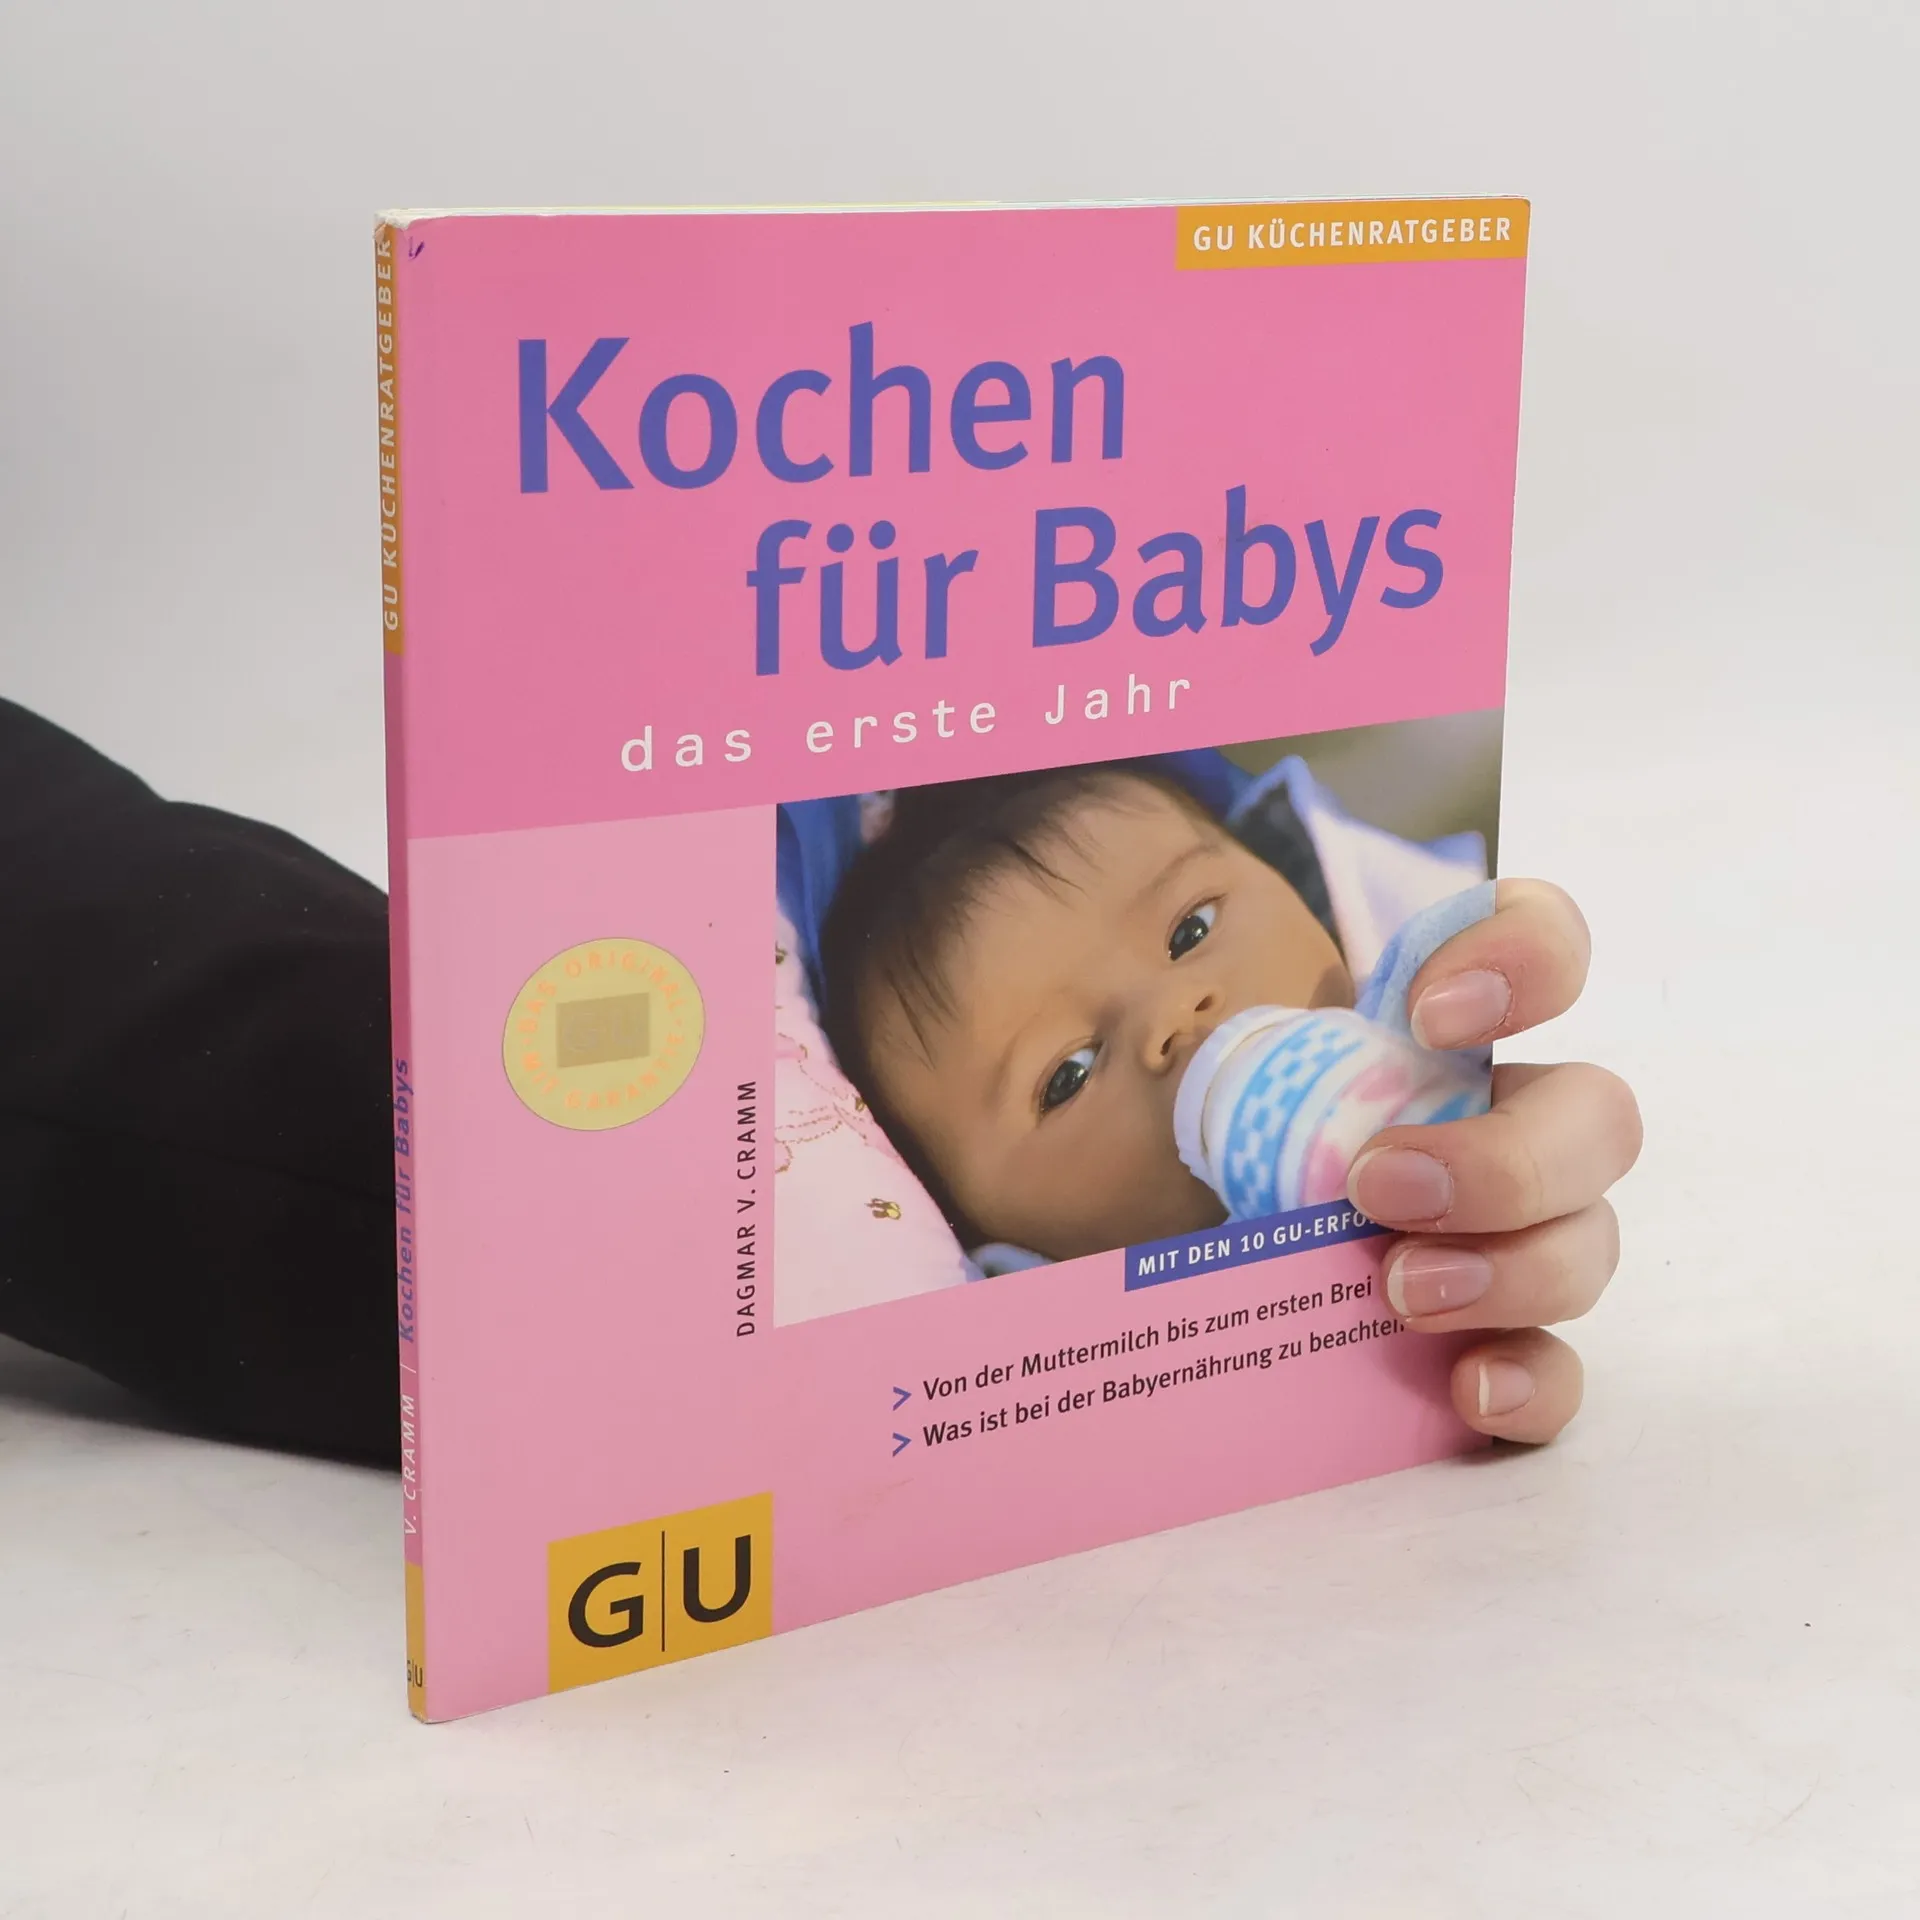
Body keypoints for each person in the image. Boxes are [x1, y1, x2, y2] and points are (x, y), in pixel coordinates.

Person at [0, 697, 1642, 1460]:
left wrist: (1470, 1057)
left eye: (1196, 921)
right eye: (1064, 1073)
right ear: (977, 1225)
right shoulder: (998, 1325)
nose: (1181, 1019)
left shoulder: (1392, 974)